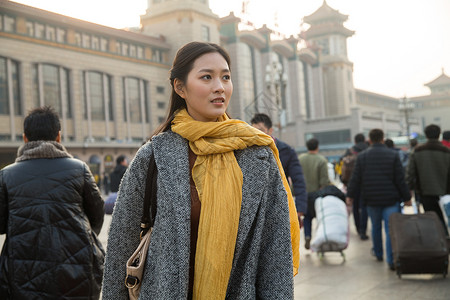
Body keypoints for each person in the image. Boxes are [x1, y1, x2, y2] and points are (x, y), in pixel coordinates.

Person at [102, 42, 299, 299]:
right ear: (180, 87)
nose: (220, 87)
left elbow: (275, 252)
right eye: (207, 77)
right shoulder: (154, 156)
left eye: (225, 77)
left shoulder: (257, 154)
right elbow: (121, 246)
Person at [0, 106, 105, 299]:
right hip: (77, 270)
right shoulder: (79, 169)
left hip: (22, 273)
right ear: (58, 136)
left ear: (25, 138)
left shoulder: (7, 175)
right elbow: (97, 217)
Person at [346, 129, 411, 271]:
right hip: (391, 199)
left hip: (371, 199)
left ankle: (378, 253)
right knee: (390, 229)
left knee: (375, 227)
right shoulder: (393, 155)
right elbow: (400, 180)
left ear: (370, 139)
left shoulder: (362, 157)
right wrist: (407, 198)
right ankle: (390, 259)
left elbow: (355, 178)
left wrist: (349, 196)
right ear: (383, 139)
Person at [250, 113, 307, 227]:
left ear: (270, 130)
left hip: (280, 204)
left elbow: (298, 180)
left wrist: (299, 208)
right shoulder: (248, 150)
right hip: (254, 207)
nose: (257, 134)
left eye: (261, 130)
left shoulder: (286, 151)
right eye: (253, 130)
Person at [406, 124, 450, 236]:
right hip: (446, 192)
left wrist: (409, 190)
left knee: (433, 219)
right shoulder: (446, 151)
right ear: (439, 134)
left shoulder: (417, 151)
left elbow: (410, 173)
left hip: (426, 191)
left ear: (426, 135)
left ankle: (439, 243)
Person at [299, 138, 331, 249]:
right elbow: (324, 181)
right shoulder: (321, 160)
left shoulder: (300, 159)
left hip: (303, 194)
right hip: (317, 194)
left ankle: (307, 236)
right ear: (317, 146)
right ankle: (319, 239)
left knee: (307, 217)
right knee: (320, 218)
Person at [342, 133, 369, 240]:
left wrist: (344, 181)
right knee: (364, 207)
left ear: (355, 141)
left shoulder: (350, 150)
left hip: (352, 182)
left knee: (356, 207)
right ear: (364, 140)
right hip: (366, 183)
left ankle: (358, 227)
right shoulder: (368, 149)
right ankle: (363, 229)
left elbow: (343, 165)